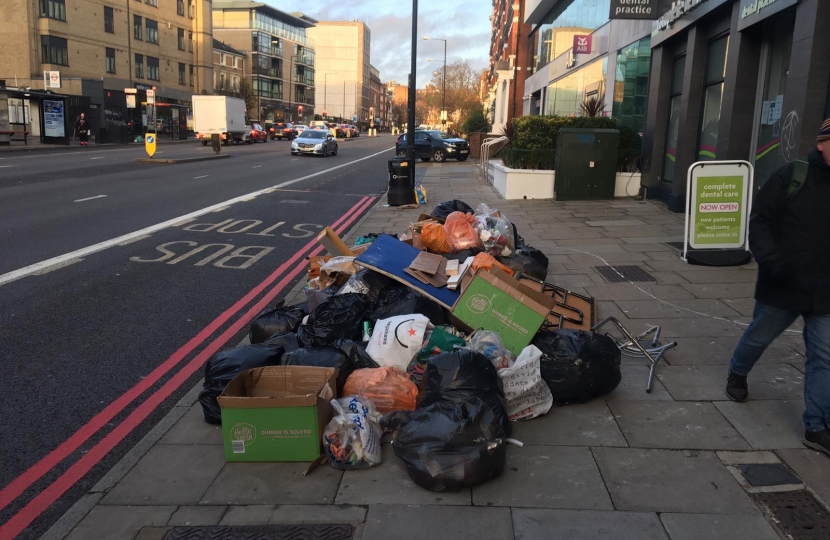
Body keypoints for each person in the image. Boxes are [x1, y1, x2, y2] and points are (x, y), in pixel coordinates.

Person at [726, 118, 830, 457]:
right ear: (822, 143)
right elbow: (760, 222)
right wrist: (774, 263)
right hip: (784, 283)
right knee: (759, 336)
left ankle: (816, 426)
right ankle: (738, 372)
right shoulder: (792, 175)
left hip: (825, 290)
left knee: (824, 357)